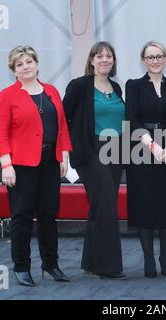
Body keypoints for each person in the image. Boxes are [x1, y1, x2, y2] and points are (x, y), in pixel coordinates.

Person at [0, 45, 73, 287]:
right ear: (14, 70)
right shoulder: (6, 96)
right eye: (19, 64)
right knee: (22, 216)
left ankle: (51, 265)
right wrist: (6, 164)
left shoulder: (51, 92)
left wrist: (64, 156)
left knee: (49, 215)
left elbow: (62, 126)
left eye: (29, 61)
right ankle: (21, 267)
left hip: (50, 162)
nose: (25, 66)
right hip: (20, 165)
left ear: (37, 64)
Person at [62, 42, 126, 280]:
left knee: (99, 206)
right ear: (91, 60)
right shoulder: (80, 86)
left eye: (109, 56)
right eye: (99, 56)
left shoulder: (117, 88)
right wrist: (65, 152)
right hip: (91, 152)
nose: (104, 60)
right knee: (108, 206)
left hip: (117, 152)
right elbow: (62, 119)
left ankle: (90, 261)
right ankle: (108, 267)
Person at [126, 41, 166, 278]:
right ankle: (149, 259)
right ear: (143, 60)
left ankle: (165, 258)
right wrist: (152, 146)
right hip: (141, 148)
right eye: (150, 57)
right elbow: (132, 120)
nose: (155, 60)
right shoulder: (134, 86)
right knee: (145, 204)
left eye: (159, 56)